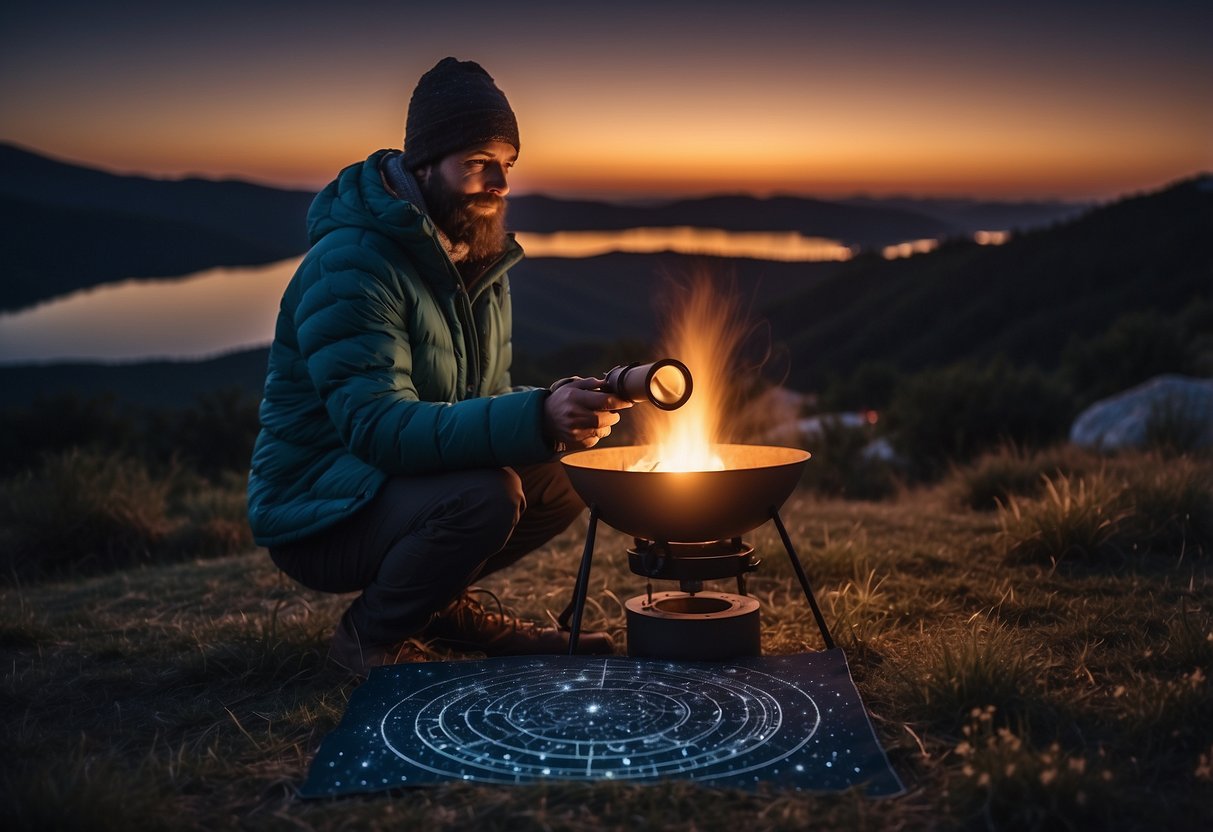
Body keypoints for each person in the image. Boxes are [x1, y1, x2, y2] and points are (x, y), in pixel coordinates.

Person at [247, 57, 628, 678]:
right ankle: (368, 639)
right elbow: (377, 428)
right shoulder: (352, 265)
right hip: (317, 509)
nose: (500, 183)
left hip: (384, 488)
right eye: (479, 162)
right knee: (487, 495)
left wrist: (556, 407)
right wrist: (534, 413)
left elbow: (483, 405)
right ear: (425, 165)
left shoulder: (478, 260)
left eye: (508, 163)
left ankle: (438, 606)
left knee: (563, 473)